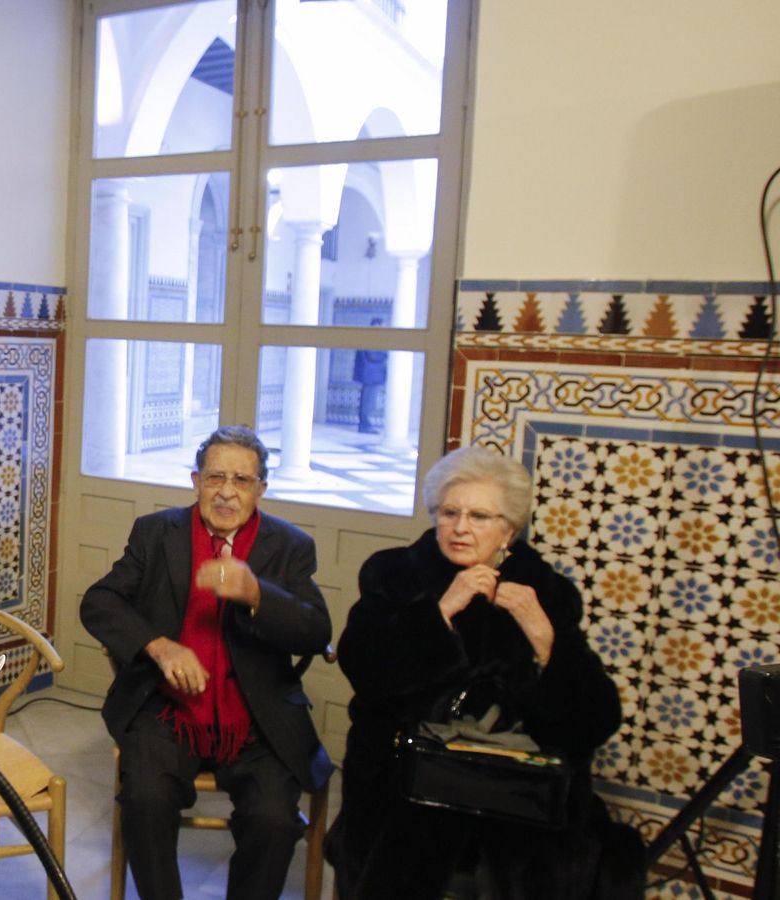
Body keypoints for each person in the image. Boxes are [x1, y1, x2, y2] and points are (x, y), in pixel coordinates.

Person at [326, 446, 642, 899]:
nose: (460, 527)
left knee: (548, 862)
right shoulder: (394, 574)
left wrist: (545, 639)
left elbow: (595, 721)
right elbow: (367, 673)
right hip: (408, 784)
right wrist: (439, 614)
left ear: (509, 530)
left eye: (479, 516)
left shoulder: (545, 592)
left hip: (519, 793)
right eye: (450, 512)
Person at [82, 425, 334, 900]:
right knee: (145, 800)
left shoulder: (289, 545)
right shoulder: (157, 533)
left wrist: (258, 594)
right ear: (196, 480)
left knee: (274, 820)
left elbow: (316, 629)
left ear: (261, 488)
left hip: (256, 716)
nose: (226, 492)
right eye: (215, 477)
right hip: (166, 709)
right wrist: (159, 646)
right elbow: (100, 602)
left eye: (242, 480)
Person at [352, 318, 387, 434]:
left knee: (368, 401)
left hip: (370, 375)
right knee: (368, 402)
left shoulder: (368, 336)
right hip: (370, 375)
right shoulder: (370, 337)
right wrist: (385, 353)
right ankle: (365, 426)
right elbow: (373, 355)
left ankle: (365, 425)